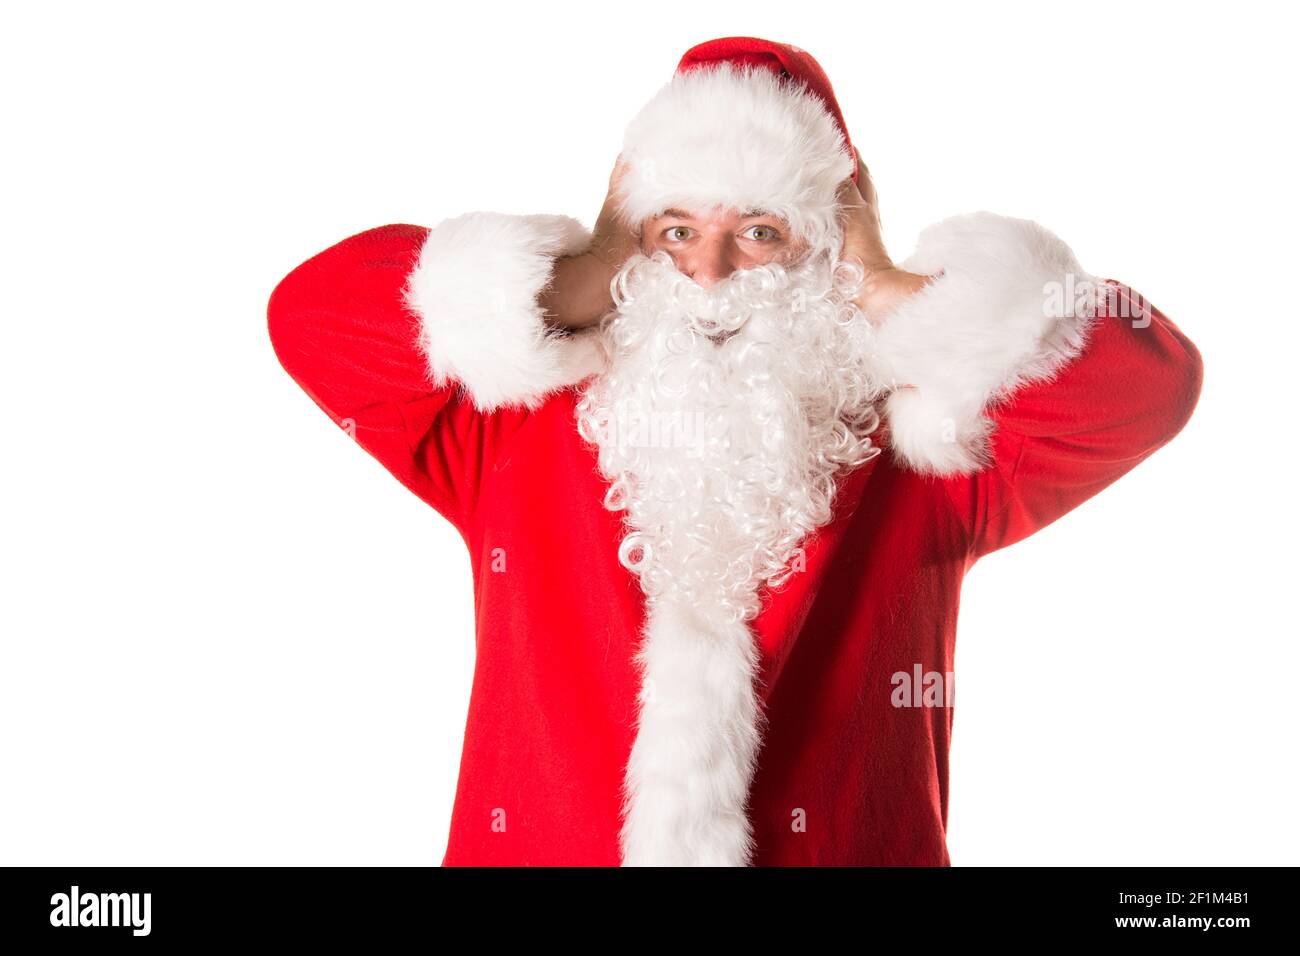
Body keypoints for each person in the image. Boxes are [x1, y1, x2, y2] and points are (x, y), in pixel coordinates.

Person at [267, 36, 1203, 866]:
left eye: (759, 232)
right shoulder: (513, 429)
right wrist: (577, 278)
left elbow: (1148, 387)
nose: (708, 272)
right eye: (674, 230)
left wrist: (888, 290)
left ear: (825, 248)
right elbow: (308, 317)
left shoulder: (923, 449)